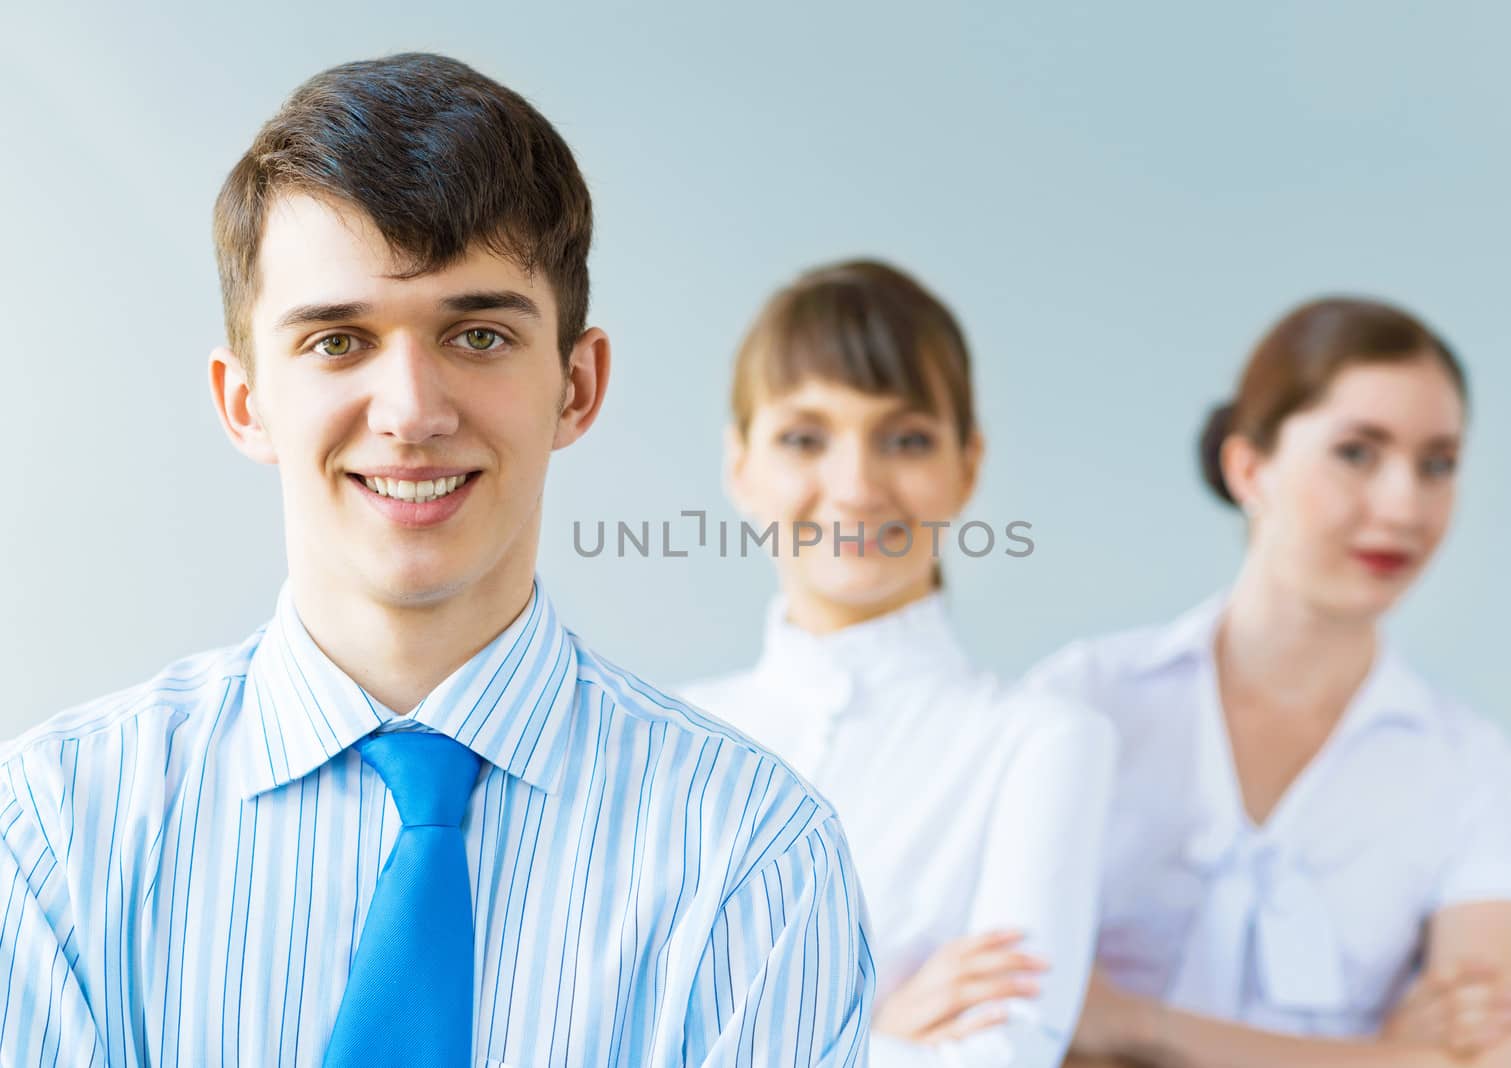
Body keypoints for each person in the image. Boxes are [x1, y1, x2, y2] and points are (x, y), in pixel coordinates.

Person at [0, 54, 873, 1067]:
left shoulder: (754, 855)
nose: (413, 411)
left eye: (478, 333)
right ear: (245, 401)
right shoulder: (53, 832)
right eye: (337, 342)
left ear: (577, 386)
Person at [1029, 298, 1511, 1068]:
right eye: (1357, 453)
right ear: (1250, 469)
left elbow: (1485, 1062)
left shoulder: (1476, 770)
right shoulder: (1086, 703)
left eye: (1438, 463)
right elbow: (1008, 1021)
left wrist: (1135, 1027)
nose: (1405, 504)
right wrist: (1381, 1058)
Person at [678, 259, 1115, 1067]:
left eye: (905, 439)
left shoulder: (1042, 744)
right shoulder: (657, 737)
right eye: (805, 438)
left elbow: (999, 1060)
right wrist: (873, 1032)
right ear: (741, 465)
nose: (855, 486)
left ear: (968, 466)